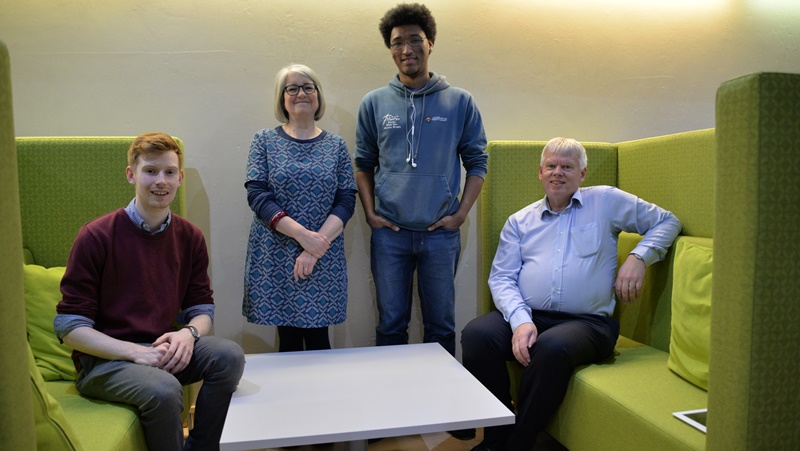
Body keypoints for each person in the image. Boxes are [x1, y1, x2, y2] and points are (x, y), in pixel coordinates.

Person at [462, 137, 682, 451]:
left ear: (582, 174)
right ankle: (496, 438)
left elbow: (667, 220)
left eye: (567, 167)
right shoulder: (520, 222)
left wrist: (639, 257)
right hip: (533, 315)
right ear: (540, 172)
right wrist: (522, 321)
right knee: (477, 335)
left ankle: (520, 444)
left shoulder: (605, 200)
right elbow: (502, 279)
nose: (558, 173)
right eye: (551, 166)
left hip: (589, 324)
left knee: (551, 347)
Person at [54, 132, 245, 451]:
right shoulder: (96, 236)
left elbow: (201, 308)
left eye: (170, 172)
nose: (161, 181)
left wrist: (188, 335)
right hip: (105, 362)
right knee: (164, 389)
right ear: (131, 175)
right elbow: (69, 327)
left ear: (180, 177)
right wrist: (136, 352)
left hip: (160, 349)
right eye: (150, 171)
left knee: (229, 356)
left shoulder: (190, 237)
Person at [354, 2, 488, 358]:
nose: (406, 49)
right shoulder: (373, 103)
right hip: (390, 234)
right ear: (391, 49)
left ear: (430, 44)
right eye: (398, 42)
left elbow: (477, 162)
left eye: (415, 40)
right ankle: (393, 402)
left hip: (440, 236)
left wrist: (460, 215)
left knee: (441, 325)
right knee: (391, 323)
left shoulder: (460, 101)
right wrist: (370, 213)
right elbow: (363, 163)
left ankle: (439, 403)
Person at [243, 63, 357, 352]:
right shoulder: (264, 141)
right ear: (282, 98)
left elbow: (346, 200)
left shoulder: (336, 146)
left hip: (323, 252)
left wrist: (314, 246)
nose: (300, 93)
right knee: (289, 340)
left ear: (318, 95)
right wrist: (302, 236)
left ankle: (324, 398)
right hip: (277, 250)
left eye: (308, 87)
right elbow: (258, 195)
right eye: (291, 88)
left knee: (320, 339)